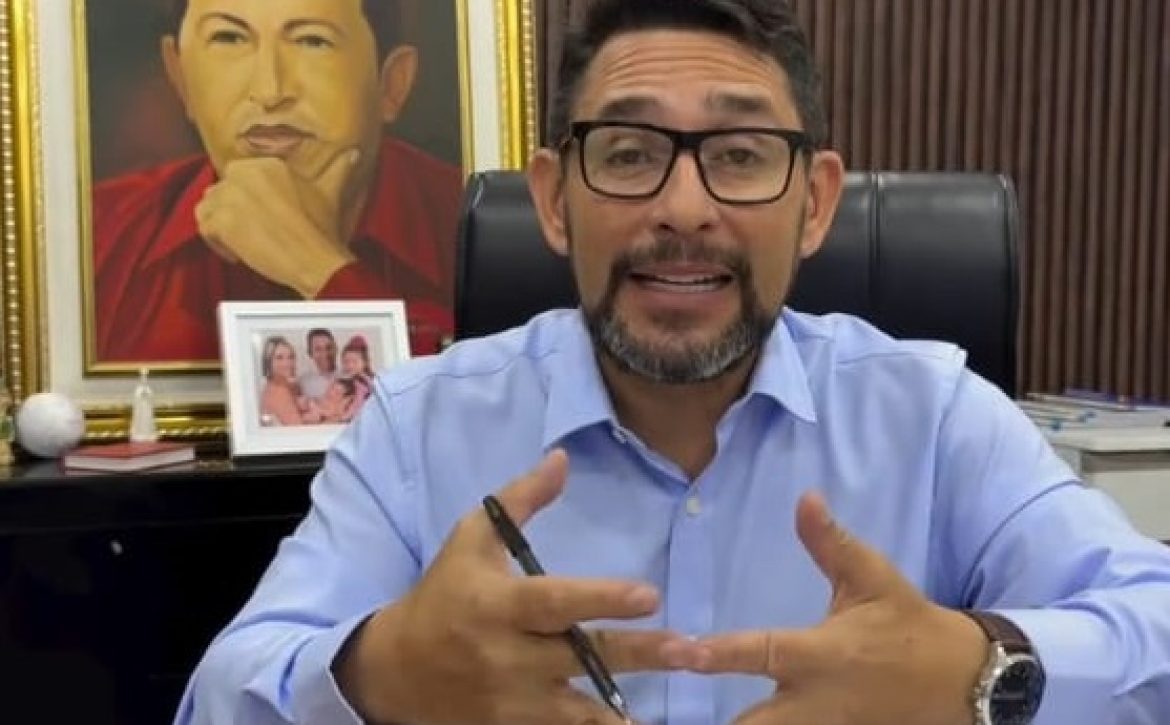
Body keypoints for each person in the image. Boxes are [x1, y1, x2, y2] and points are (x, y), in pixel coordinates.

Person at [176, 1, 1170, 723]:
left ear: (816, 203)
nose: (685, 209)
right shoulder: (417, 426)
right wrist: (379, 674)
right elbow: (221, 692)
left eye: (739, 154)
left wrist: (980, 669)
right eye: (627, 152)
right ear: (555, 199)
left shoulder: (936, 415)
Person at [93, 0, 461, 364]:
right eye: (228, 38)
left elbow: (461, 397)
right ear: (180, 76)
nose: (270, 91)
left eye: (312, 41)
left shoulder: (468, 224)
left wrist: (317, 266)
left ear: (392, 83)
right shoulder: (95, 235)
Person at [258, 336, 320, 426]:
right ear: (268, 362)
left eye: (291, 357)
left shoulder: (288, 386)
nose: (287, 363)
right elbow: (299, 430)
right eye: (279, 358)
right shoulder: (278, 392)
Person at [298, 329, 338, 402]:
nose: (324, 353)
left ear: (335, 348)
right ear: (310, 353)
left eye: (328, 348)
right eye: (318, 349)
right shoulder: (303, 382)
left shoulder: (349, 376)